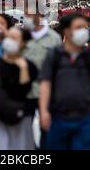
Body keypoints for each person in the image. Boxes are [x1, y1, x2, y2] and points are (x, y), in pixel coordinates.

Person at [39, 13, 90, 150]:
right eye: (78, 28)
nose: (83, 31)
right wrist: (43, 111)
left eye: (84, 27)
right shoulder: (54, 54)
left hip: (84, 117)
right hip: (58, 115)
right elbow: (45, 83)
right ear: (66, 31)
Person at [0, 27, 38, 150]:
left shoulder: (29, 66)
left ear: (22, 43)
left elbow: (25, 90)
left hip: (21, 115)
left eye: (14, 38)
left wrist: (24, 68)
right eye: (8, 37)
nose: (9, 41)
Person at [22, 12, 62, 149]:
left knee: (47, 127)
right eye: (25, 14)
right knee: (24, 128)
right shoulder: (22, 36)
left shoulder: (54, 38)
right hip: (25, 92)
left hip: (48, 92)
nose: (26, 17)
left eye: (29, 14)